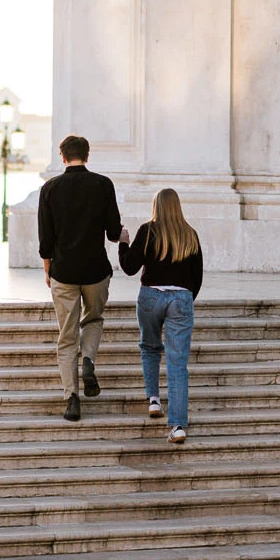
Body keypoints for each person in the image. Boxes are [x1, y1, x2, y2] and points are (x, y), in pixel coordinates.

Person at [37, 134, 122, 422]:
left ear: (62, 157)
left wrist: (48, 268)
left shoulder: (49, 188)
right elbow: (112, 232)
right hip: (96, 270)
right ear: (87, 155)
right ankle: (88, 361)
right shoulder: (103, 184)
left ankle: (71, 398)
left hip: (64, 271)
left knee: (66, 336)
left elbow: (45, 238)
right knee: (94, 319)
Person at [119, 188, 202, 444]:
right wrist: (184, 301)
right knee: (178, 364)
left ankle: (154, 399)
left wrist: (123, 242)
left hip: (150, 297)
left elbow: (130, 267)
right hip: (181, 297)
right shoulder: (190, 234)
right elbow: (196, 277)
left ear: (156, 205)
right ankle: (178, 426)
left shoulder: (147, 230)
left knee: (150, 346)